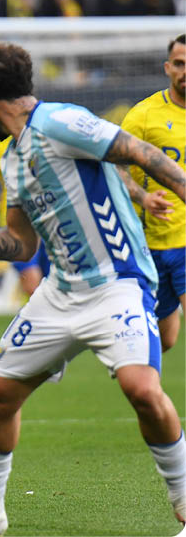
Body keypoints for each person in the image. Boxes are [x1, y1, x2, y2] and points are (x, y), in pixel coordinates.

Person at [0, 42, 186, 536]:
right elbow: (20, 243)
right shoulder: (13, 157)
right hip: (60, 294)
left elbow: (140, 153)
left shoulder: (61, 121)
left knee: (142, 389)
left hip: (118, 283)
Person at [120, 34, 185, 353]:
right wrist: (142, 197)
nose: (185, 71)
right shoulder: (143, 116)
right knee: (164, 340)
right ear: (167, 68)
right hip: (150, 245)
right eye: (179, 64)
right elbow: (115, 169)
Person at [0, 136, 49, 296]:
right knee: (33, 284)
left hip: (50, 222)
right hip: (16, 226)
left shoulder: (45, 136)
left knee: (52, 285)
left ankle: (33, 309)